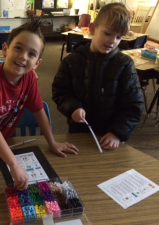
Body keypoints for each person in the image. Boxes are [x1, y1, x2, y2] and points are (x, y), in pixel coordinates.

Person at [0, 19, 78, 191]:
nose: (23, 57)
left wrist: (52, 142)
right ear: (5, 50)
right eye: (18, 48)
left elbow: (38, 111)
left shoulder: (29, 78)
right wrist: (13, 164)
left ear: (37, 63)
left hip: (5, 144)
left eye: (31, 54)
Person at [52, 3, 143, 150]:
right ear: (93, 29)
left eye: (119, 37)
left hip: (110, 135)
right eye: (108, 33)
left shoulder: (124, 64)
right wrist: (72, 108)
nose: (113, 41)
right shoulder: (72, 61)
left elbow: (133, 105)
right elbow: (60, 91)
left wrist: (117, 133)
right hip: (79, 132)